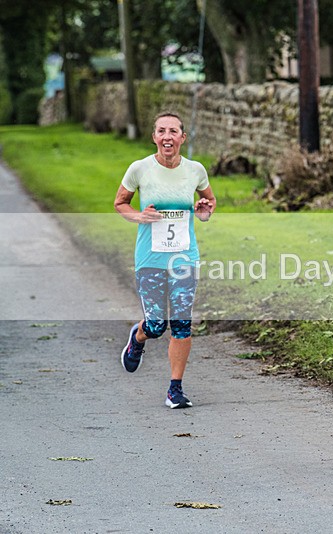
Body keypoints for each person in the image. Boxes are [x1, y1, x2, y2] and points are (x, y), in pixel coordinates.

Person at [114, 112, 216, 409]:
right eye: (161, 131)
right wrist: (139, 216)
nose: (167, 136)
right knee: (157, 325)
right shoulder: (140, 169)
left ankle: (175, 389)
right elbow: (120, 202)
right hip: (150, 258)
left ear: (183, 137)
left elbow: (208, 204)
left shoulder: (195, 170)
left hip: (185, 257)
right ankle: (139, 336)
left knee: (182, 323)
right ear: (154, 136)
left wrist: (203, 210)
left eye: (173, 131)